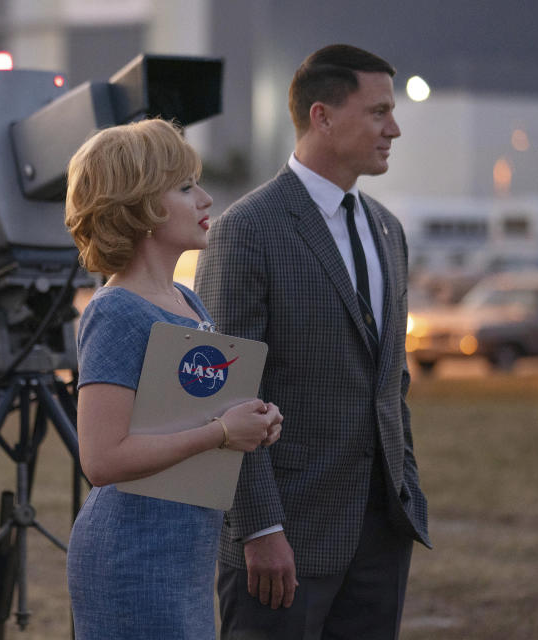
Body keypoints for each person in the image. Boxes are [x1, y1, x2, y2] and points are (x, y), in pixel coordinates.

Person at [194, 44, 431, 639]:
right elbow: (227, 394)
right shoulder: (246, 231)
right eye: (378, 112)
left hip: (381, 533)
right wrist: (259, 528)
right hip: (284, 541)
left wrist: (405, 486)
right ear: (321, 116)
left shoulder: (386, 229)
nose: (394, 129)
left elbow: (389, 380)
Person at [64, 118, 283, 639]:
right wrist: (221, 433)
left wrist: (252, 421)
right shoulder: (116, 310)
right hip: (132, 558)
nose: (206, 199)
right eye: (185, 187)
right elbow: (101, 460)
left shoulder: (187, 300)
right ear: (139, 205)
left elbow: (185, 418)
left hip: (181, 556)